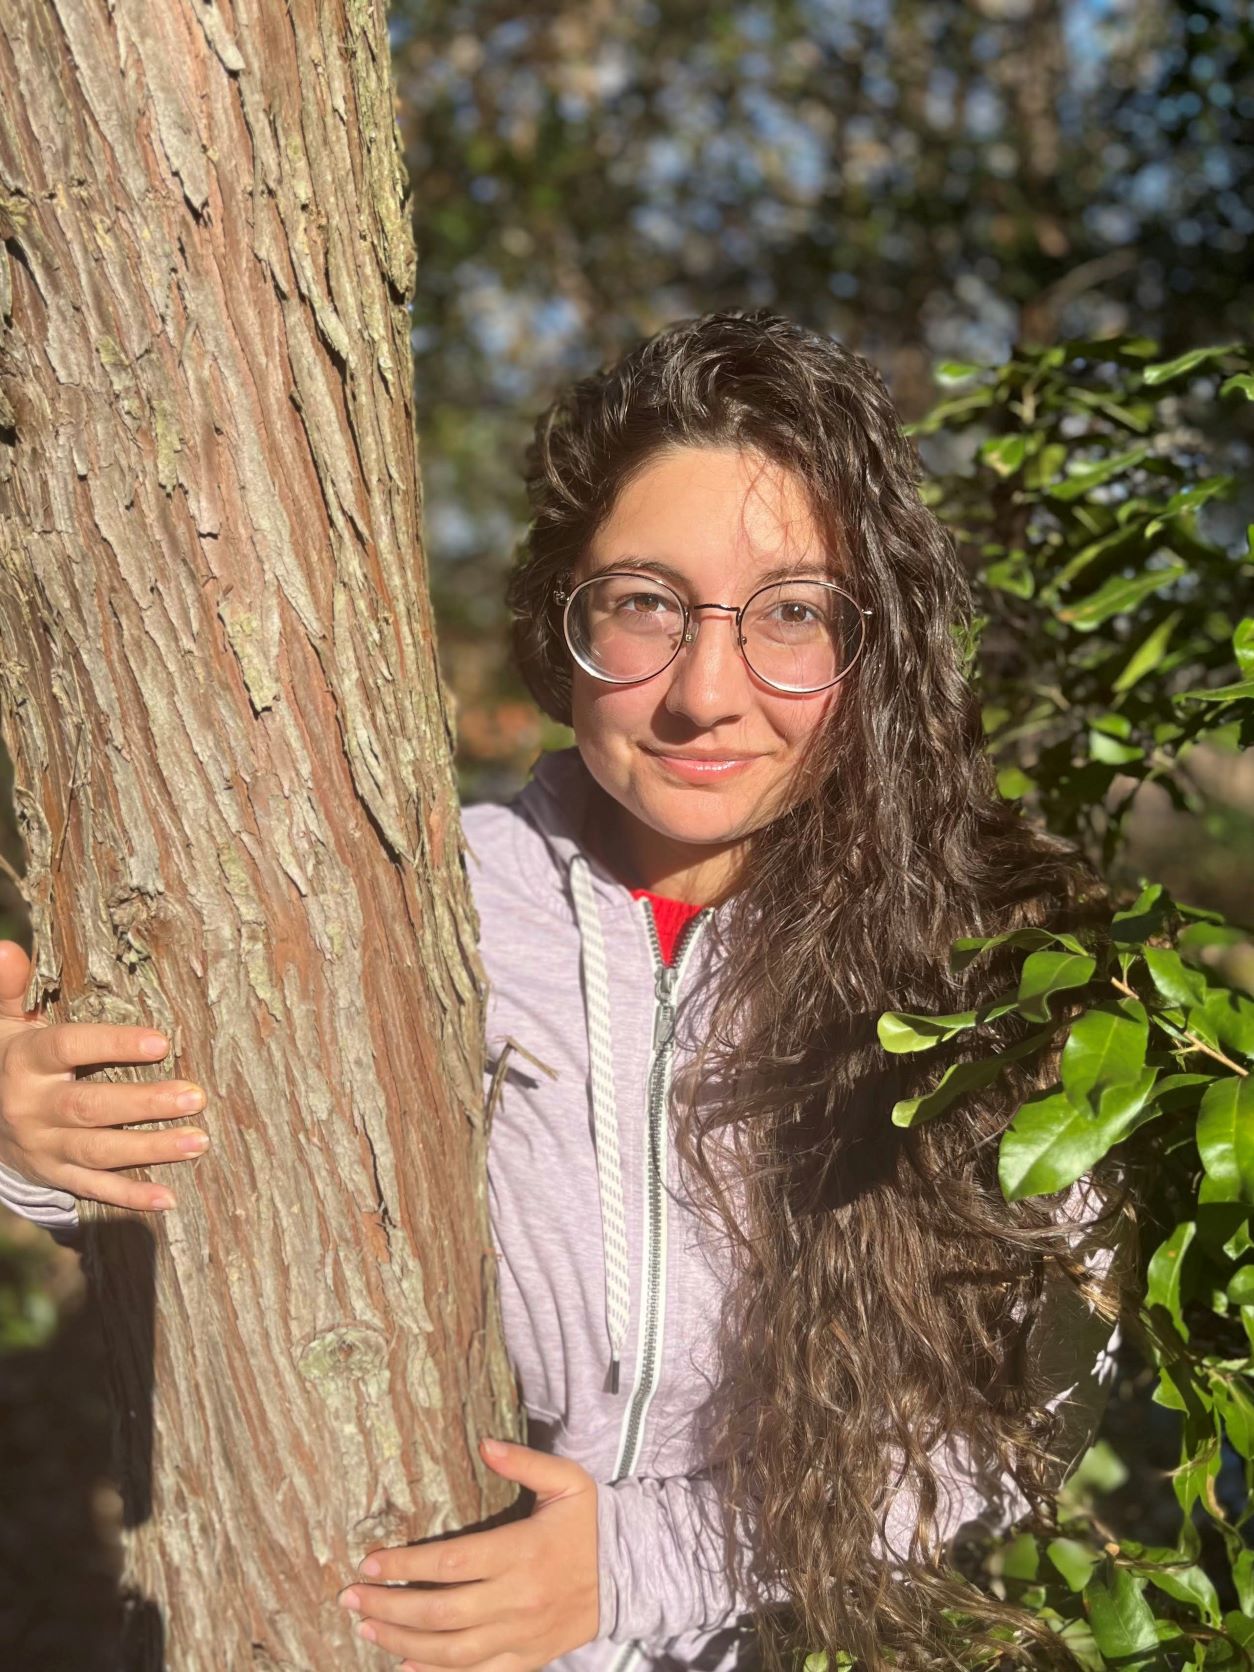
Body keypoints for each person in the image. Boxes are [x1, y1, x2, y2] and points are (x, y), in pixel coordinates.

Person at [0, 310, 1131, 1672]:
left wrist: (633, 1569)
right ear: (564, 617)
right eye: (644, 604)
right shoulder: (412, 898)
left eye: (787, 614)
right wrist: (41, 1148)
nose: (705, 692)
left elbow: (1031, 1404)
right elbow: (224, 1169)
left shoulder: (989, 966)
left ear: (869, 643)